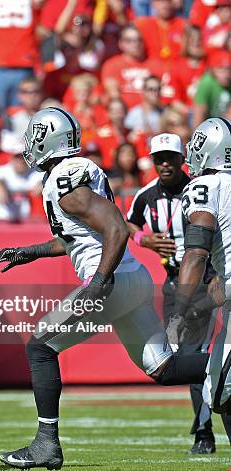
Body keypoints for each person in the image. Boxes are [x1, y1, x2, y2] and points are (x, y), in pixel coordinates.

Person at [0, 108, 211, 469]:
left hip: (112, 280)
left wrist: (100, 280)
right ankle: (228, 366)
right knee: (165, 368)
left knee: (40, 347)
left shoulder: (64, 179)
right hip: (132, 277)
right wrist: (28, 252)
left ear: (49, 140)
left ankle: (46, 443)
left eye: (35, 136)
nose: (30, 144)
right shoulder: (72, 176)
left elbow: (116, 228)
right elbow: (78, 237)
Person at [126, 133, 219, 454]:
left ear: (183, 159)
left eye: (171, 158)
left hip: (205, 282)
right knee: (178, 360)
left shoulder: (200, 190)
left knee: (195, 357)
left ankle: (204, 433)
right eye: (158, 158)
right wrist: (143, 240)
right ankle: (205, 425)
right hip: (172, 283)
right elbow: (125, 224)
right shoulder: (146, 195)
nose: (164, 164)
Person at [168, 117, 231, 443]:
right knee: (219, 388)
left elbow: (195, 252)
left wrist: (179, 311)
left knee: (219, 389)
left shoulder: (205, 187)